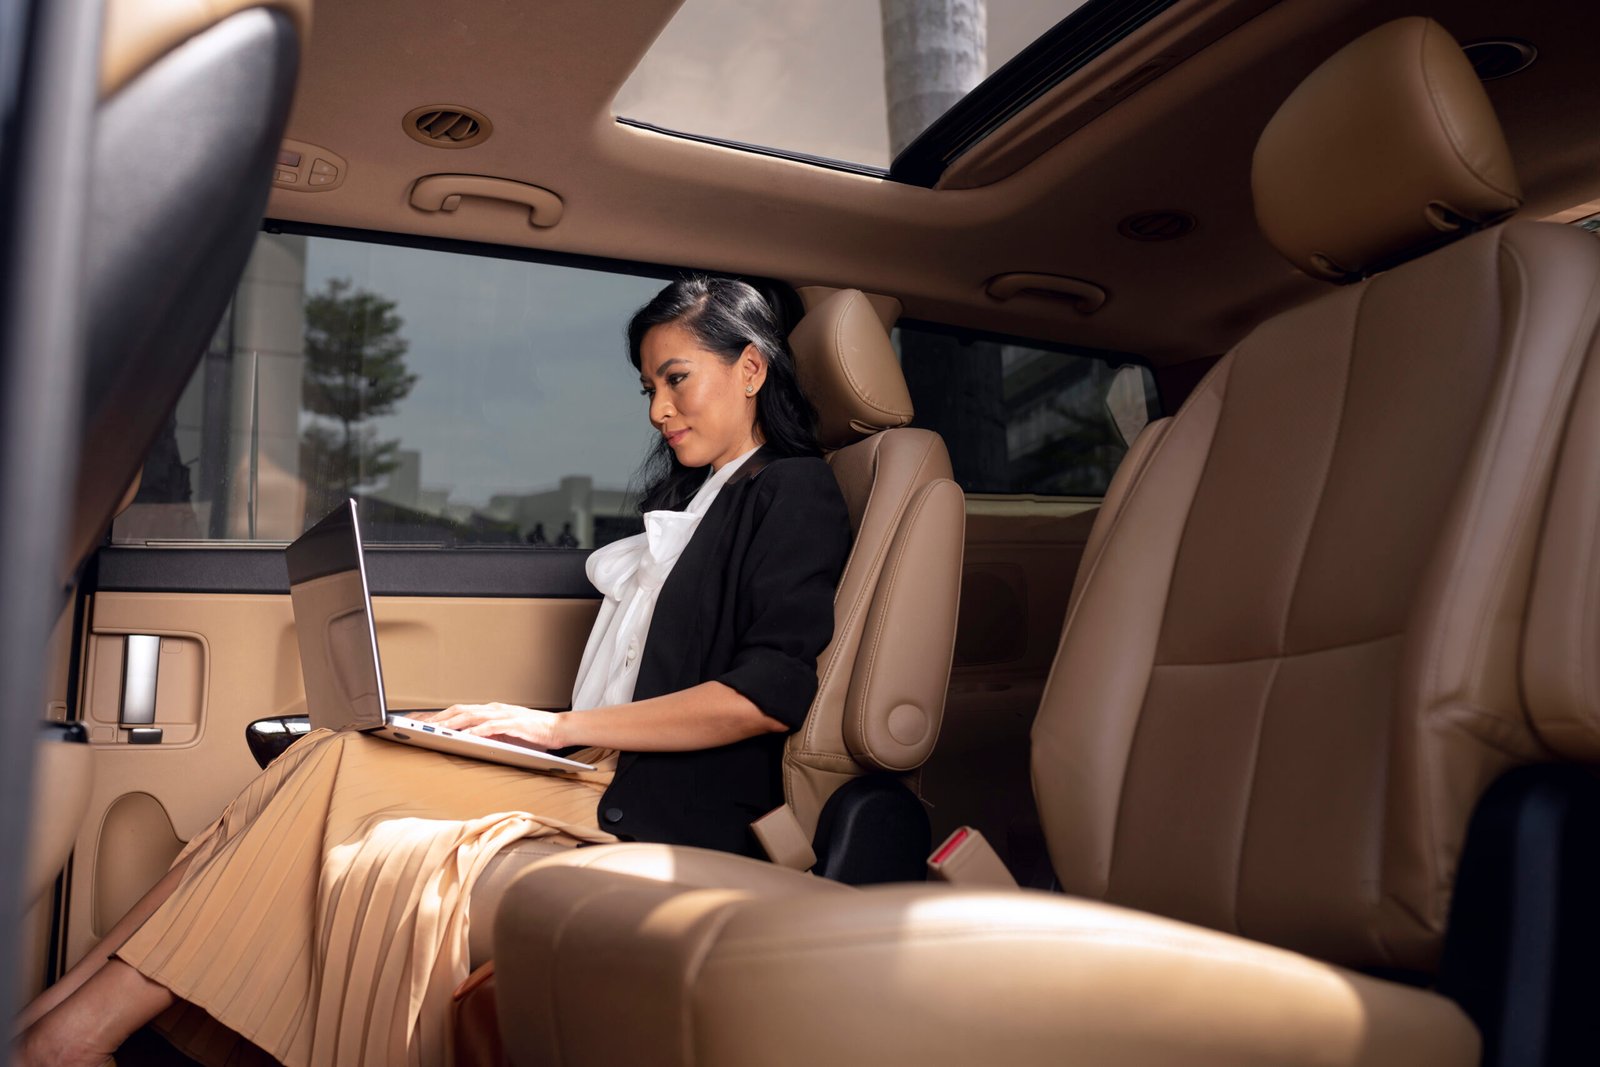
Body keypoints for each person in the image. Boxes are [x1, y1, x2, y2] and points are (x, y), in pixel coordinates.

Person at [14, 275, 850, 1067]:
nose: (660, 409)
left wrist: (554, 726)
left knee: (337, 760)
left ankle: (68, 1035)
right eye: (648, 390)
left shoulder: (792, 490)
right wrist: (511, 729)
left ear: (750, 366)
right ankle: (54, 1021)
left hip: (652, 799)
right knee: (325, 749)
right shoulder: (697, 501)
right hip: (590, 764)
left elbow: (763, 696)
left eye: (676, 379)